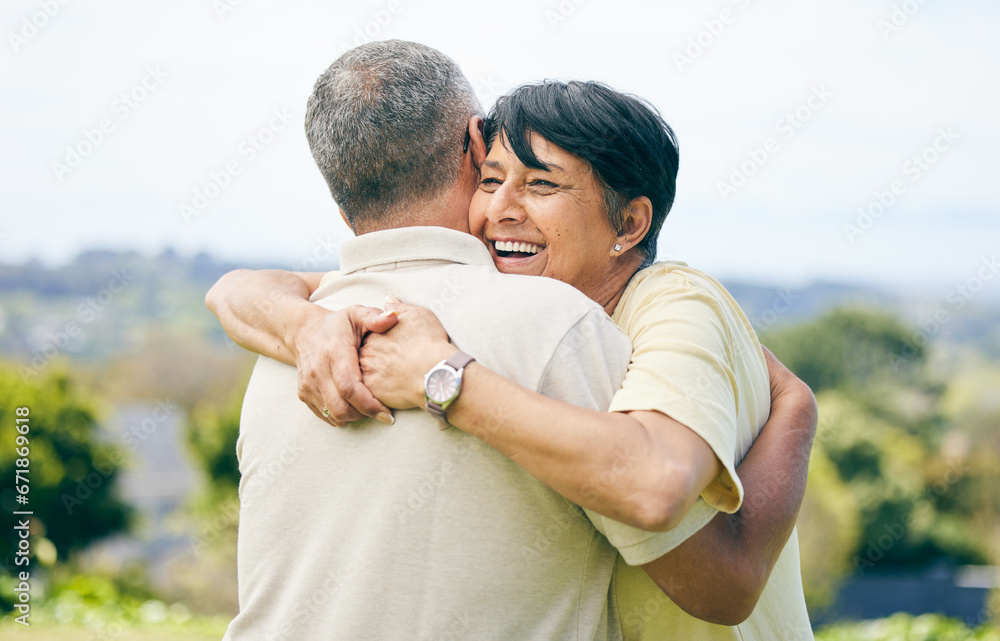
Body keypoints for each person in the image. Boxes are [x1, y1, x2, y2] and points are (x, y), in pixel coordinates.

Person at [209, 40, 816, 641]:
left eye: (542, 186)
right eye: (491, 179)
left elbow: (701, 549)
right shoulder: (369, 315)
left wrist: (442, 376)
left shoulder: (672, 304)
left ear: (629, 223)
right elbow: (244, 289)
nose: (499, 209)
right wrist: (305, 325)